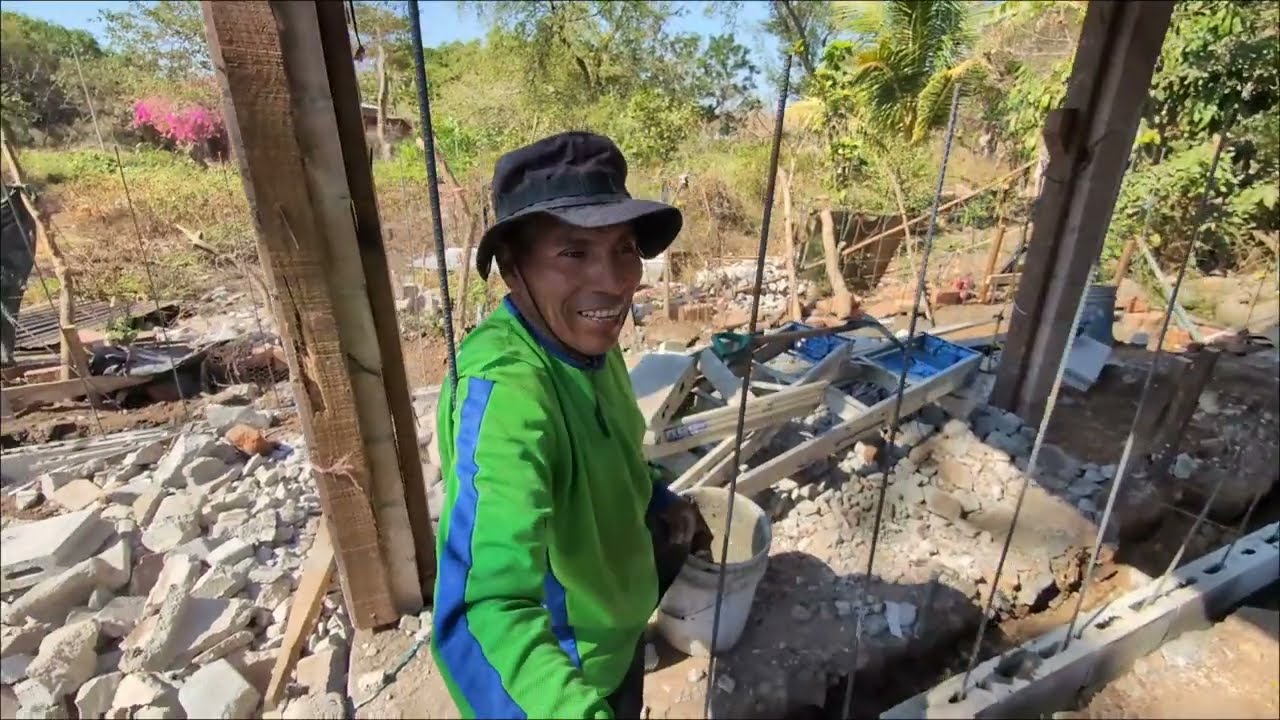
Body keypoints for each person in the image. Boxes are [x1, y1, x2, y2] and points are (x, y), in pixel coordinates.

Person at [431, 131, 713, 719]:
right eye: (574, 253)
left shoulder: (589, 342)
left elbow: (611, 455)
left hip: (619, 640)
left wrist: (657, 497)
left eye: (625, 249)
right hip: (569, 677)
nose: (614, 283)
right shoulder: (508, 392)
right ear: (512, 267)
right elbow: (483, 614)